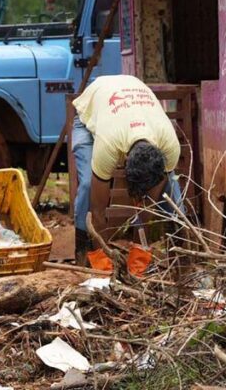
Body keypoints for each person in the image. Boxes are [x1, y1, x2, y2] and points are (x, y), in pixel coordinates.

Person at [69, 74, 182, 266]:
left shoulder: (170, 146)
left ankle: (182, 255)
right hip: (89, 116)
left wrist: (139, 253)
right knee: (88, 184)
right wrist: (103, 256)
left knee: (173, 192)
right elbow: (98, 211)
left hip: (131, 101)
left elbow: (147, 206)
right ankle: (85, 253)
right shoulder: (108, 144)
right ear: (125, 160)